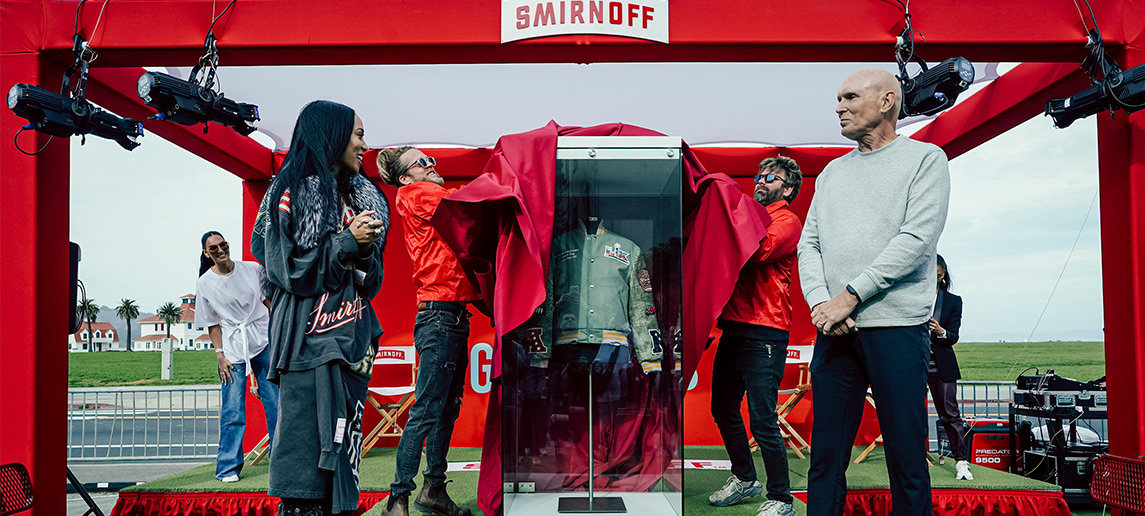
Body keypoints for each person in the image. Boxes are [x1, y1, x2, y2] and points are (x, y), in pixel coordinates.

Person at [797, 69, 950, 516]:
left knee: (906, 458)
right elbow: (809, 244)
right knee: (824, 459)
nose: (838, 107)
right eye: (838, 99)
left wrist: (849, 297)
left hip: (897, 327)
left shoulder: (925, 159)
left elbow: (916, 239)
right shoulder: (831, 172)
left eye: (849, 97)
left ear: (886, 102)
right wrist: (821, 303)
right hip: (836, 329)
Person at [250, 100, 389, 516]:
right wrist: (346, 242)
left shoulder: (360, 198)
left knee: (343, 458)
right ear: (332, 134)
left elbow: (370, 284)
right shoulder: (290, 190)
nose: (364, 145)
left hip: (351, 343)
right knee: (305, 466)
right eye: (358, 134)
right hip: (307, 342)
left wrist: (364, 250)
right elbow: (286, 270)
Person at [377, 147, 477, 516]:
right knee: (428, 410)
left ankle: (432, 490)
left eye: (431, 160)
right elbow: (466, 200)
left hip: (451, 315)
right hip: (440, 316)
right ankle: (397, 499)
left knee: (445, 407)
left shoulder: (422, 194)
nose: (432, 165)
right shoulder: (416, 193)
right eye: (422, 163)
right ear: (405, 178)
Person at [708, 156, 803, 516]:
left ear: (788, 188)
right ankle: (745, 478)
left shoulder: (787, 221)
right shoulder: (751, 214)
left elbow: (757, 251)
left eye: (770, 177)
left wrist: (731, 218)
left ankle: (781, 499)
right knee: (722, 407)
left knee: (763, 419)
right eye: (759, 176)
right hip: (735, 325)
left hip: (766, 329)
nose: (760, 181)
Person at [196, 230, 279, 483]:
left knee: (276, 403)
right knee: (232, 409)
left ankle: (283, 460)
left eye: (223, 244)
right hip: (232, 349)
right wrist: (219, 356)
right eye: (213, 248)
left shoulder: (253, 269)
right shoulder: (205, 283)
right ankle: (227, 468)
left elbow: (270, 303)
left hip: (263, 340)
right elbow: (212, 323)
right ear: (206, 253)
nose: (220, 250)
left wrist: (278, 337)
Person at [927, 254, 969, 480]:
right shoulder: (912, 298)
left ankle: (961, 462)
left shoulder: (953, 301)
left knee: (950, 414)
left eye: (938, 275)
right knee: (910, 413)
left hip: (941, 364)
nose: (935, 278)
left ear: (943, 275)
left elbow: (954, 336)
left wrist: (941, 331)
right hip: (914, 362)